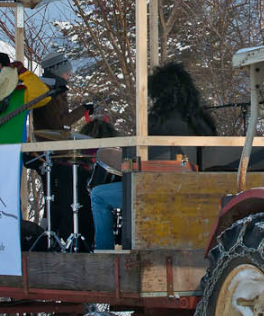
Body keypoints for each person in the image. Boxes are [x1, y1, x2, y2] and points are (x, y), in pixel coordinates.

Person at [89, 61, 216, 250]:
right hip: (199, 189)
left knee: (98, 195)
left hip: (159, 190)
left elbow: (142, 162)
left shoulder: (157, 121)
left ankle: (105, 253)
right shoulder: (204, 120)